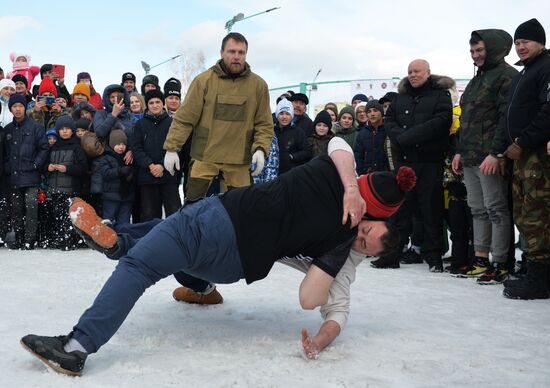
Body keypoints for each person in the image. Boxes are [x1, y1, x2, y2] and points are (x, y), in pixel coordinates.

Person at [20, 137, 411, 375]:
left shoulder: (340, 250)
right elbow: (340, 146)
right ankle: (196, 284)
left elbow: (319, 302)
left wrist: (341, 252)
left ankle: (76, 348)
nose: (360, 232)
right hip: (225, 253)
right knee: (170, 243)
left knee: (141, 262)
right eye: (365, 230)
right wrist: (349, 190)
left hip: (223, 228)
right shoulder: (338, 174)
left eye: (366, 241)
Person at [163, 33, 273, 201]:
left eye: (241, 52)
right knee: (193, 206)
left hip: (239, 159)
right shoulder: (203, 81)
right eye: (231, 51)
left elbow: (264, 123)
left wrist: (260, 149)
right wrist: (172, 147)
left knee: (240, 209)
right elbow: (186, 118)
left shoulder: (258, 86)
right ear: (222, 53)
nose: (236, 57)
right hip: (205, 156)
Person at [372, 59, 453, 271]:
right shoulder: (400, 98)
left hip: (430, 162)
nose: (413, 75)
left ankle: (433, 256)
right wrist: (403, 138)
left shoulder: (440, 96)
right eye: (409, 71)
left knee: (430, 210)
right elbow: (389, 122)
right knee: (400, 210)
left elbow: (441, 122)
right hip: (405, 162)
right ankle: (391, 254)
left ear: (428, 73)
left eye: (417, 71)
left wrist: (408, 136)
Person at [450, 29, 518, 282]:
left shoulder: (507, 76)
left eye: (480, 50)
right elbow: (466, 118)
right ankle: (481, 259)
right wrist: (459, 150)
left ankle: (500, 262)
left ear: (494, 49)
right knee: (477, 209)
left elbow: (506, 118)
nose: (475, 55)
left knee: (496, 209)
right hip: (470, 155)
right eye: (472, 51)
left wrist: (497, 152)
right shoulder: (477, 79)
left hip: (490, 156)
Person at [502, 19, 550, 300]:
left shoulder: (546, 67)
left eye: (526, 42)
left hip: (535, 155)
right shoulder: (523, 74)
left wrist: (522, 141)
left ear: (541, 42)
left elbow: (548, 111)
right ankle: (534, 268)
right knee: (523, 212)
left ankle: (539, 278)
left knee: (536, 214)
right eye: (517, 43)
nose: (520, 47)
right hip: (520, 155)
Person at [3, 94, 49, 249]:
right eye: (14, 106)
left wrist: (36, 164)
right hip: (13, 177)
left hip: (31, 176)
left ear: (25, 108)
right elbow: (4, 153)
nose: (17, 109)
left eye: (20, 106)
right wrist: (7, 166)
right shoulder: (8, 129)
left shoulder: (35, 127)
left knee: (31, 207)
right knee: (15, 209)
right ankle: (17, 238)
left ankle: (30, 240)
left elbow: (44, 148)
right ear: (11, 109)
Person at [132, 89, 182, 220]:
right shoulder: (140, 124)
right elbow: (137, 148)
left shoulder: (172, 123)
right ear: (147, 105)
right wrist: (150, 165)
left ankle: (175, 240)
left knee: (174, 213)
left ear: (163, 103)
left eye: (158, 102)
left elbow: (177, 146)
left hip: (168, 176)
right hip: (147, 177)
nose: (155, 105)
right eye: (151, 102)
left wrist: (161, 165)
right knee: (149, 215)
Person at [45, 115, 88, 250]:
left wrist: (67, 168)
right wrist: (48, 167)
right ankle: (59, 239)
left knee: (70, 217)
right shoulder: (53, 147)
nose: (64, 131)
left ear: (72, 131)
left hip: (71, 189)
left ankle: (70, 240)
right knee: (56, 215)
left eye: (67, 129)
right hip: (54, 188)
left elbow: (83, 168)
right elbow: (43, 166)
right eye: (62, 129)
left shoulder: (77, 148)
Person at [98, 129, 135, 224]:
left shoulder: (129, 157)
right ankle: (107, 238)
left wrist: (131, 174)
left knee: (124, 221)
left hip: (127, 195)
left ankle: (123, 238)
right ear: (112, 144)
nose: (121, 147)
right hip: (111, 196)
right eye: (118, 144)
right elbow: (106, 173)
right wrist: (120, 171)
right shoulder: (106, 157)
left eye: (123, 144)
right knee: (108, 221)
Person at [274, 98, 311, 174]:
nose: (284, 117)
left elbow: (307, 151)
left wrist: (292, 156)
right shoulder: (272, 131)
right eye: (281, 113)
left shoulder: (298, 132)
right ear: (277, 115)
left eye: (287, 114)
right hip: (273, 173)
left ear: (291, 116)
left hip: (291, 173)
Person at [354, 100, 388, 174]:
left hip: (386, 175)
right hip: (368, 176)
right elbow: (358, 157)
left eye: (375, 110)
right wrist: (360, 175)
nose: (372, 114)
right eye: (369, 111)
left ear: (381, 112)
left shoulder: (388, 130)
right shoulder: (362, 133)